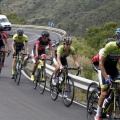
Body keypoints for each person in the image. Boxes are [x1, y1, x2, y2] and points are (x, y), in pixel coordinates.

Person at [94, 28, 120, 120]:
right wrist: (106, 77)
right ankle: (97, 114)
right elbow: (100, 64)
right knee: (104, 93)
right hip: (103, 69)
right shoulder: (109, 46)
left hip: (113, 69)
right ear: (117, 38)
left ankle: (111, 101)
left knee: (119, 87)